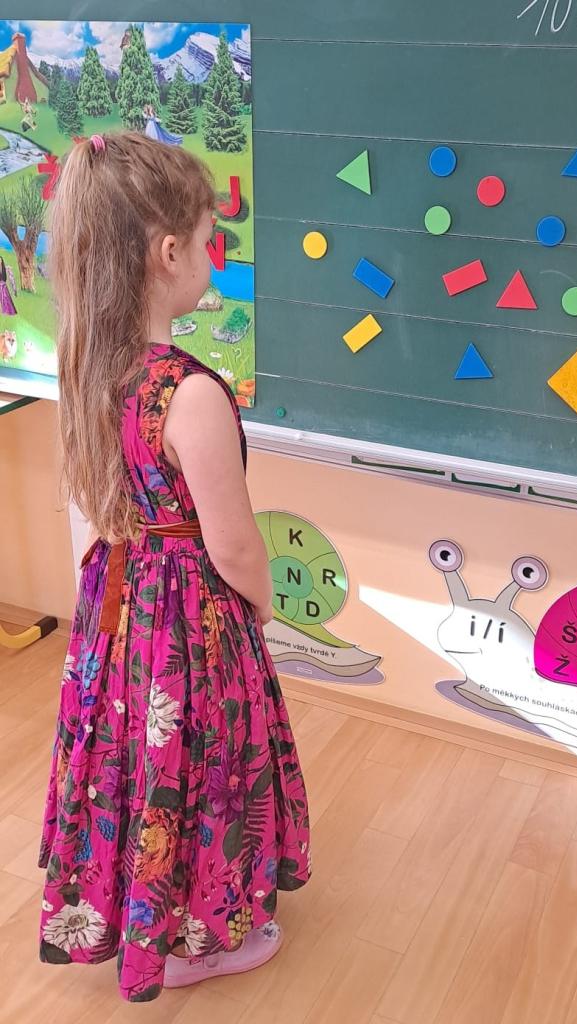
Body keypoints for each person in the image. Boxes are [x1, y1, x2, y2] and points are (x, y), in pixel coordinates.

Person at [38, 133, 310, 1002]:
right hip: (190, 616)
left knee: (135, 758)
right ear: (167, 254)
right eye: (204, 239)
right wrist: (259, 604)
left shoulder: (91, 365)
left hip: (119, 608)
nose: (209, 253)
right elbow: (232, 544)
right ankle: (195, 938)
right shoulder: (188, 391)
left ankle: (140, 910)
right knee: (201, 761)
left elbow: (94, 506)